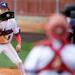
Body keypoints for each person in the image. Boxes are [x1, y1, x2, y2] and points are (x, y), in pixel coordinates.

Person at [0, 2, 25, 75]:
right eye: (1, 9)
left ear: (8, 10)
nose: (3, 10)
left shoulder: (12, 21)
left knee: (19, 62)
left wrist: (19, 44)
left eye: (5, 9)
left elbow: (17, 34)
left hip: (7, 44)